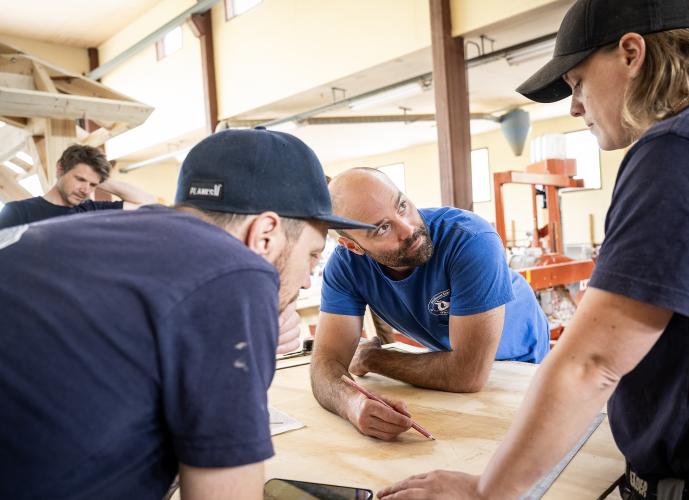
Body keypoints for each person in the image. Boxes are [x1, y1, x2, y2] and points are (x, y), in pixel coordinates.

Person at [379, 0, 689, 499]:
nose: (575, 106)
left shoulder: (680, 149)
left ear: (630, 53)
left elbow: (592, 363)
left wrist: (485, 491)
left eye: (577, 84)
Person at [0, 129, 373, 499]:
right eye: (312, 254)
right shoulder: (236, 273)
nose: (308, 281)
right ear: (264, 235)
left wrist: (237, 347)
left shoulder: (87, 234)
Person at [310, 167, 550, 441]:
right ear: (353, 247)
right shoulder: (345, 267)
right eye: (383, 228)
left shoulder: (471, 239)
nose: (409, 229)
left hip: (523, 368)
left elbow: (467, 374)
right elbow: (325, 363)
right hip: (451, 364)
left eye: (402, 206)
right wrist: (351, 403)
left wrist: (374, 359)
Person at [0, 144, 155, 229]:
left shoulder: (93, 211)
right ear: (60, 169)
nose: (86, 189)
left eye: (93, 184)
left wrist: (101, 178)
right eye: (80, 179)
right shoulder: (18, 212)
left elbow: (149, 205)